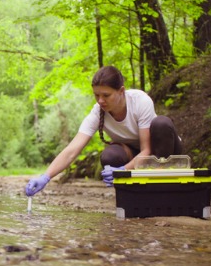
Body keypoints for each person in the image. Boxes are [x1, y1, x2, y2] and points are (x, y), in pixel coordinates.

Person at [25, 65, 182, 196]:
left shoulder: (140, 101)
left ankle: (165, 190)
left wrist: (122, 171)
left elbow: (147, 151)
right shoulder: (97, 112)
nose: (100, 100)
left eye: (106, 95)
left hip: (163, 151)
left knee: (161, 123)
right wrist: (45, 176)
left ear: (121, 91)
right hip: (135, 155)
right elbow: (72, 150)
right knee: (110, 155)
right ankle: (134, 196)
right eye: (96, 95)